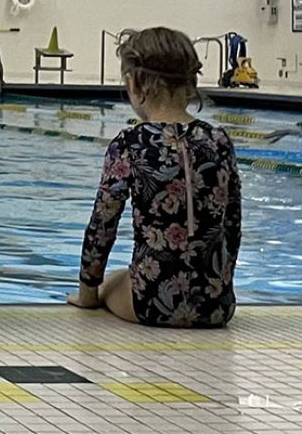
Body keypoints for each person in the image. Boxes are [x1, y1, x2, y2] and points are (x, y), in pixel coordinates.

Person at [69, 28, 241, 327]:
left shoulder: (130, 143)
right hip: (217, 306)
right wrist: (222, 285)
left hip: (152, 303)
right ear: (190, 83)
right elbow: (232, 225)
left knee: (114, 280)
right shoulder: (219, 140)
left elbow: (103, 223)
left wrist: (87, 293)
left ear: (136, 82)